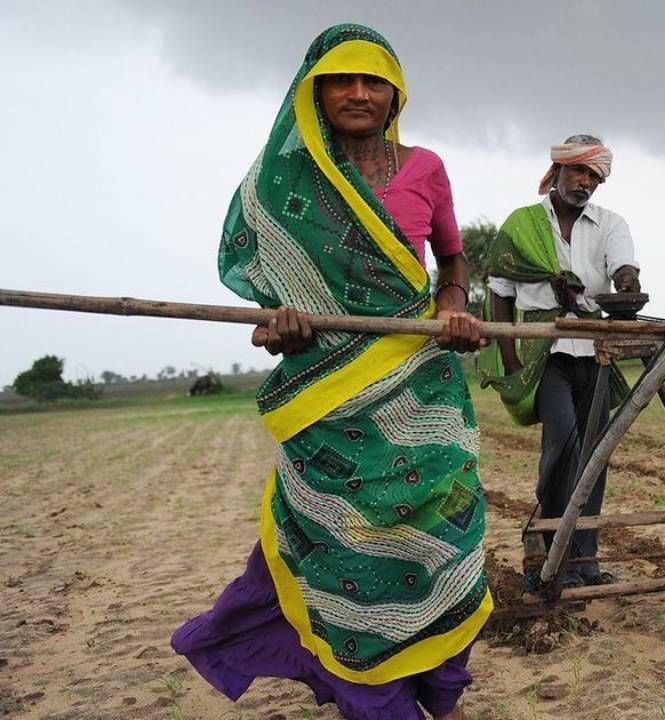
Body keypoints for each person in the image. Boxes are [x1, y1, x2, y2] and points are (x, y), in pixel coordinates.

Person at [171, 24, 490, 720]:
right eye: (338, 81)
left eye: (372, 81)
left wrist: (454, 305)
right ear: (312, 92)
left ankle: (441, 691)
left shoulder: (427, 166)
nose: (356, 93)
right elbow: (272, 303)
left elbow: (453, 260)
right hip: (332, 411)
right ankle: (376, 698)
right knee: (346, 557)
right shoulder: (284, 186)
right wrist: (278, 325)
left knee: (446, 540)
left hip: (424, 387)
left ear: (395, 93)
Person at [480, 135, 640, 589]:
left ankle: (585, 563)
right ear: (557, 172)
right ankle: (553, 551)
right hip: (543, 354)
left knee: (595, 454)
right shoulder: (523, 224)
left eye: (594, 175)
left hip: (595, 353)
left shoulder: (610, 223)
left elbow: (624, 266)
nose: (585, 181)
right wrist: (511, 361)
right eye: (578, 171)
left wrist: (628, 281)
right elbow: (500, 294)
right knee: (563, 445)